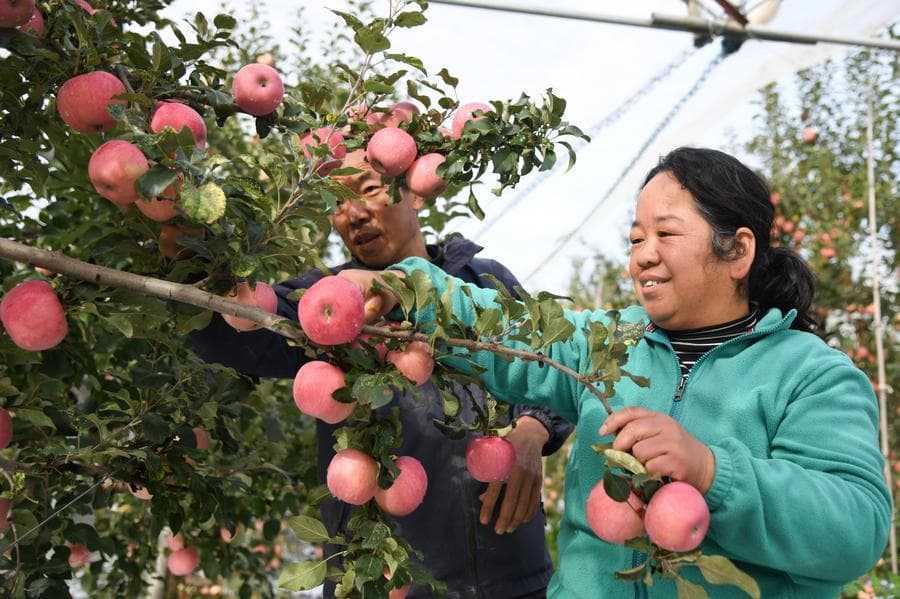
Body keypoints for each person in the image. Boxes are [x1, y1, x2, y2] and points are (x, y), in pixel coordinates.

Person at [339, 147, 893, 598]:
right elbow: (506, 332)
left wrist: (710, 471)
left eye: (666, 235)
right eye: (634, 239)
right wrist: (410, 286)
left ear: (739, 251)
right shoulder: (607, 342)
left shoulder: (813, 375)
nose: (642, 257)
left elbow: (855, 530)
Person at [190, 150, 573, 598]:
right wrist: (186, 235)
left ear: (416, 194)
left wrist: (532, 432)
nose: (352, 214)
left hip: (514, 576)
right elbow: (229, 333)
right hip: (385, 580)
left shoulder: (482, 281)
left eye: (370, 189)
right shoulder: (325, 301)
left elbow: (549, 368)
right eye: (337, 202)